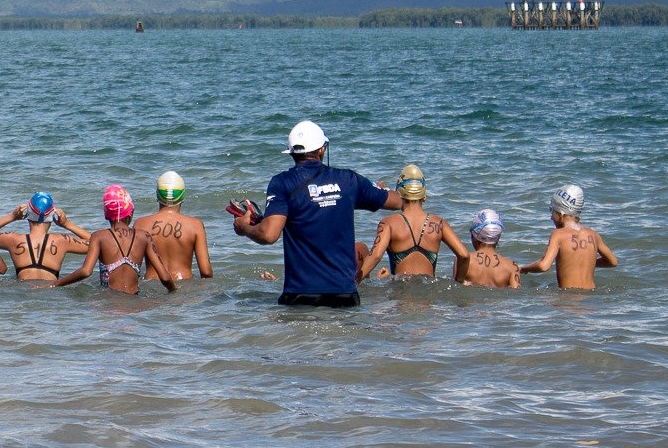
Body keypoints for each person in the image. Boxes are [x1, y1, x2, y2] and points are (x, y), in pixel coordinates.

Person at [228, 119, 401, 307]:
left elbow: (268, 234)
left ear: (292, 153)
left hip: (301, 294)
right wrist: (375, 188)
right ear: (322, 150)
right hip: (344, 294)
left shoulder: (282, 183)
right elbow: (397, 201)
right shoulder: (349, 180)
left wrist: (244, 228)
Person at [357, 164, 471, 283]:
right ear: (424, 195)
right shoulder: (439, 223)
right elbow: (464, 255)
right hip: (429, 294)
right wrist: (459, 281)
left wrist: (355, 281)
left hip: (401, 294)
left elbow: (375, 256)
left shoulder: (388, 223)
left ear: (399, 194)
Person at [58, 185, 175, 294]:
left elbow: (86, 271)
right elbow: (165, 277)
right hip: (135, 301)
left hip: (109, 303)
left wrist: (56, 284)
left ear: (106, 214)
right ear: (131, 212)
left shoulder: (98, 237)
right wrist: (174, 290)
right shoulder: (144, 236)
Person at [520, 184, 618, 289]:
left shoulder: (558, 235)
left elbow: (544, 266)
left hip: (568, 300)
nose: (551, 217)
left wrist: (523, 269)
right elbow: (613, 262)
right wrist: (587, 263)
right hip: (590, 301)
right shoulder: (593, 234)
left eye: (552, 210)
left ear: (561, 214)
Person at [0, 191, 92, 281]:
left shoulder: (13, 239)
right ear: (52, 216)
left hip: (23, 293)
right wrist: (68, 224)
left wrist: (11, 216)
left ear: (27, 213)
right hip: (51, 293)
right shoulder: (62, 241)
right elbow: (96, 243)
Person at [139, 171, 212, 281]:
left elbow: (133, 267)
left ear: (157, 194)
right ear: (182, 195)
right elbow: (206, 272)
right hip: (184, 287)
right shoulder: (195, 225)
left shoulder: (141, 224)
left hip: (152, 285)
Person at [455, 210, 520, 288]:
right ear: (498, 237)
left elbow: (456, 288)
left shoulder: (464, 260)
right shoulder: (512, 267)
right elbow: (516, 294)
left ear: (474, 236)